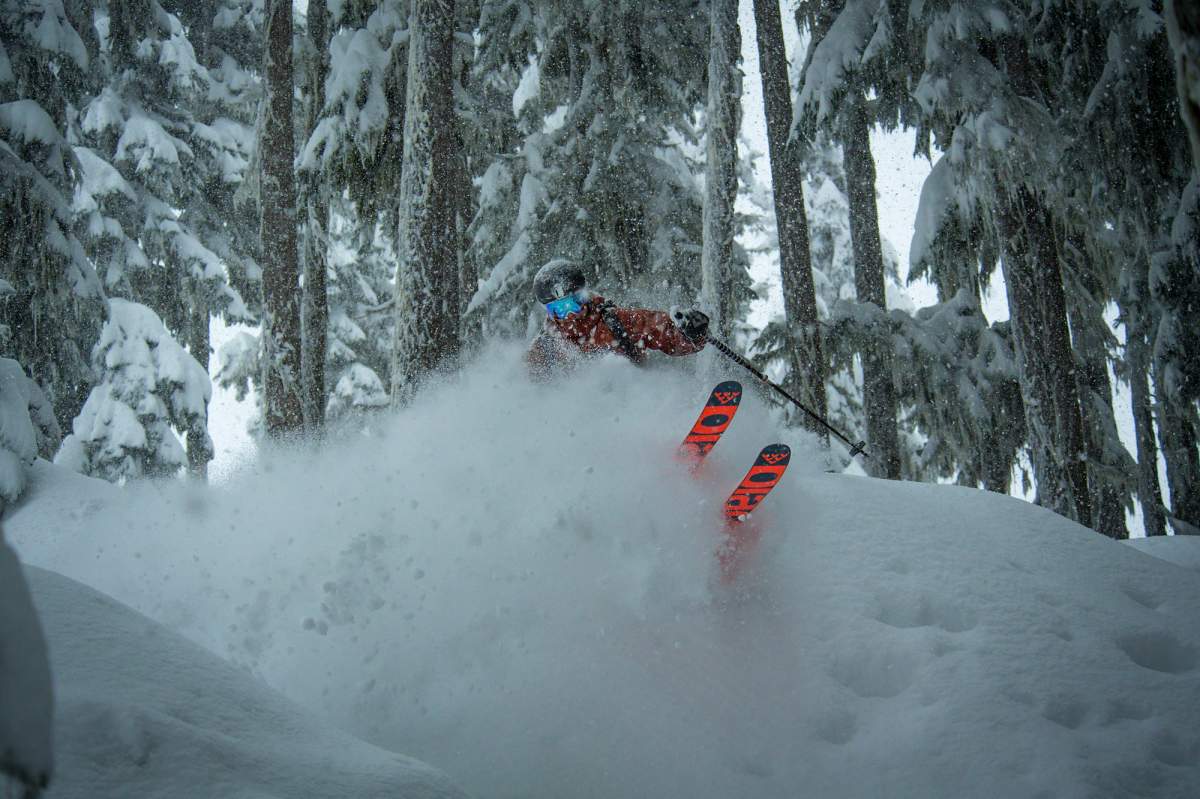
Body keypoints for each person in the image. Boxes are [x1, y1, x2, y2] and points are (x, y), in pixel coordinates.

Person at [526, 259, 710, 377]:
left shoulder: (614, 322)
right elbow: (526, 388)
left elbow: (659, 329)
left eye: (575, 302)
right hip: (578, 423)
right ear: (549, 312)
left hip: (630, 406)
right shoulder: (546, 347)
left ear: (585, 295)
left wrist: (688, 332)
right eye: (560, 309)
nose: (571, 314)